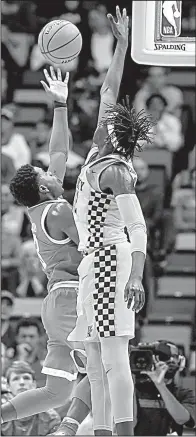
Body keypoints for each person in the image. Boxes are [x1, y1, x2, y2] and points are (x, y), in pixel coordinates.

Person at [1, 6, 130, 432]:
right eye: (44, 173)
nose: (51, 168)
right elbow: (92, 241)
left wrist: (60, 105)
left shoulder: (47, 204)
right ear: (43, 188)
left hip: (59, 300)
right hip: (75, 293)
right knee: (101, 363)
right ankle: (72, 430)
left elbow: (57, 152)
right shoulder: (59, 208)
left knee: (57, 391)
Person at [67, 7, 154, 435]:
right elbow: (109, 89)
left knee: (114, 356)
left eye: (110, 121)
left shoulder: (116, 168)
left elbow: (138, 228)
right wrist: (120, 47)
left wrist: (135, 276)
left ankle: (121, 432)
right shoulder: (99, 152)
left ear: (118, 135)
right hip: (92, 261)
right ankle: (101, 431)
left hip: (110, 261)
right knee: (95, 361)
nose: (102, 117)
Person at [131, 340, 195, 435]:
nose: (170, 361)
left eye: (174, 357)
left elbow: (182, 419)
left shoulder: (184, 394)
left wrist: (160, 385)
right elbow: (130, 424)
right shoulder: (135, 391)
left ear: (181, 362)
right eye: (163, 357)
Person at [1, 361, 61, 436]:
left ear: (34, 385)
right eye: (16, 379)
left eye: (26, 378)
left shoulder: (51, 418)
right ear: (7, 386)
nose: (22, 382)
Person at [6, 317, 47, 388]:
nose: (27, 340)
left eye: (31, 336)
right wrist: (21, 359)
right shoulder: (8, 362)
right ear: (17, 338)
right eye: (23, 336)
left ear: (39, 338)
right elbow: (13, 387)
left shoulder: (49, 360)